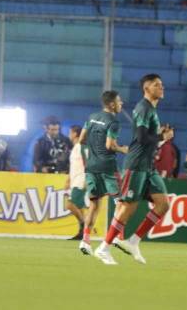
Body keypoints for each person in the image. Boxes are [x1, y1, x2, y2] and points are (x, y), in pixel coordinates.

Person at [94, 74, 174, 265]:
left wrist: (160, 136)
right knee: (129, 206)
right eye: (156, 85)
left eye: (162, 84)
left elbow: (147, 137)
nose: (161, 87)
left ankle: (133, 241)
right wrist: (163, 137)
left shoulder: (152, 110)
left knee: (163, 204)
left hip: (148, 166)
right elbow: (141, 137)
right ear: (146, 89)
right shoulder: (143, 108)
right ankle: (103, 248)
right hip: (136, 164)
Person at [78, 90, 128, 255]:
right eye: (119, 102)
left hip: (91, 166)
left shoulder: (91, 117)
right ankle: (117, 236)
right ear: (112, 104)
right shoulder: (113, 122)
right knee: (121, 202)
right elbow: (110, 145)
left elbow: (81, 139)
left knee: (94, 204)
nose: (121, 104)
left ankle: (85, 241)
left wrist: (93, 147)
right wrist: (123, 149)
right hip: (107, 166)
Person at [65, 125, 87, 241]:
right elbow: (74, 165)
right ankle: (83, 233)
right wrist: (69, 179)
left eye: (70, 132)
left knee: (70, 205)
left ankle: (84, 225)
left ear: (74, 134)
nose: (69, 135)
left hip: (81, 179)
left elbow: (88, 162)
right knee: (79, 207)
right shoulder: (76, 147)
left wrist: (87, 178)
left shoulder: (81, 147)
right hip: (76, 180)